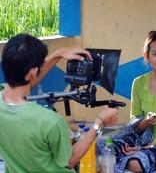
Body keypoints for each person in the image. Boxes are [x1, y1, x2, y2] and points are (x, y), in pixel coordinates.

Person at [0, 33, 118, 172]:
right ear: (33, 72)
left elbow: (28, 78)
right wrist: (99, 123)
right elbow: (69, 160)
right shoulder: (50, 121)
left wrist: (58, 55)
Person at [97, 31, 156, 173]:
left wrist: (147, 147)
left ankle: (126, 159)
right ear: (147, 56)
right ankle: (126, 157)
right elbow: (134, 123)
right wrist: (146, 122)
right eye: (155, 54)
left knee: (136, 162)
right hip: (139, 140)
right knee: (102, 146)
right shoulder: (138, 83)